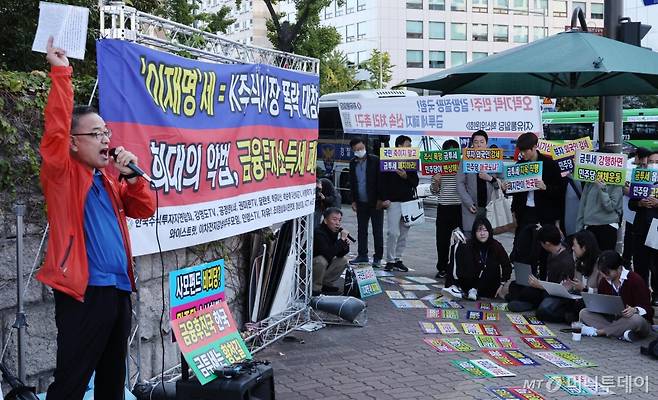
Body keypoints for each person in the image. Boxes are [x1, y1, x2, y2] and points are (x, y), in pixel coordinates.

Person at [38, 38, 156, 400]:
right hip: (84, 293)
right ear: (74, 143)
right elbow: (56, 131)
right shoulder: (64, 175)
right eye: (96, 133)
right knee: (72, 382)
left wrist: (133, 177)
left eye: (107, 132)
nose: (106, 138)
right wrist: (61, 72)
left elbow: (144, 209)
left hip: (118, 292)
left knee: (111, 382)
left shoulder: (108, 179)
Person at [507, 133, 564, 256]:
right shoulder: (519, 166)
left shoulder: (550, 164)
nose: (522, 154)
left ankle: (542, 274)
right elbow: (515, 193)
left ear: (534, 147)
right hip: (525, 212)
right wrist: (506, 189)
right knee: (523, 248)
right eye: (520, 151)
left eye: (525, 151)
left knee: (543, 251)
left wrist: (545, 187)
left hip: (544, 214)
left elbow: (560, 191)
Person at [579, 251, 653, 342]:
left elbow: (648, 309)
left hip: (635, 322)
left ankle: (600, 332)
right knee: (584, 313)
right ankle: (622, 333)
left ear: (618, 268)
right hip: (614, 320)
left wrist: (635, 310)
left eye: (607, 272)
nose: (604, 275)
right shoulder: (604, 281)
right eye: (602, 272)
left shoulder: (635, 280)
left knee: (635, 319)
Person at [507, 224, 574, 312]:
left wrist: (540, 285)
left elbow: (562, 289)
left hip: (554, 295)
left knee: (542, 307)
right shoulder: (552, 252)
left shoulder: (565, 261)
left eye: (541, 243)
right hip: (544, 289)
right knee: (515, 286)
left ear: (547, 243)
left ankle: (530, 304)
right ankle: (528, 303)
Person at [379, 135, 419, 272]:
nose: (410, 148)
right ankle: (390, 260)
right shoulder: (388, 159)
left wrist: (406, 176)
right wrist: (384, 198)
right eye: (408, 145)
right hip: (393, 202)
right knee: (393, 232)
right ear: (399, 146)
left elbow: (415, 182)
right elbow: (382, 182)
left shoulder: (411, 162)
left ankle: (398, 259)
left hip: (408, 202)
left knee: (403, 233)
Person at [575, 150, 624, 252]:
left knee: (605, 262)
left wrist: (602, 189)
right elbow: (582, 206)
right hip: (590, 227)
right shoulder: (590, 182)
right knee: (590, 262)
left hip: (608, 226)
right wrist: (578, 230)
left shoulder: (616, 183)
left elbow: (611, 207)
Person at [455, 217, 512, 301]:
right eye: (479, 231)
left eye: (485, 230)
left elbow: (507, 266)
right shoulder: (469, 244)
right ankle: (470, 289)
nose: (482, 233)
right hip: (469, 286)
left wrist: (502, 284)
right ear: (474, 232)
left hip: (490, 287)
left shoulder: (496, 246)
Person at [456, 130, 500, 237]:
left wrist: (489, 178)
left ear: (487, 143)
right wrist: (468, 202)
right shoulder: (466, 159)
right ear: (472, 144)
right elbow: (459, 183)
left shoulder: (494, 159)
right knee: (470, 239)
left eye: (482, 142)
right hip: (471, 207)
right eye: (476, 142)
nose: (479, 144)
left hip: (489, 206)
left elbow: (502, 183)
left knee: (487, 238)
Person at [348, 137, 384, 267]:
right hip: (360, 202)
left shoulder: (375, 160)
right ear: (353, 150)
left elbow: (381, 181)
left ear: (365, 147)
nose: (359, 151)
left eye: (361, 148)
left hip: (375, 202)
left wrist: (381, 199)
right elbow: (352, 182)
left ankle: (378, 257)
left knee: (377, 230)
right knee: (361, 230)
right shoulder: (352, 163)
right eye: (356, 149)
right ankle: (362, 255)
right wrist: (353, 200)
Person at [628, 150, 658, 306]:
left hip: (656, 229)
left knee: (656, 264)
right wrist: (640, 203)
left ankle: (656, 295)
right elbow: (631, 203)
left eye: (656, 162)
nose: (653, 165)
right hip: (640, 228)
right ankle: (642, 295)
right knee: (640, 264)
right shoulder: (640, 177)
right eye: (651, 162)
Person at [430, 139, 462, 280]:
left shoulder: (462, 165)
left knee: (460, 240)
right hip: (443, 207)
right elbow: (434, 191)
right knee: (442, 240)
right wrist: (437, 181)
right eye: (447, 151)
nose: (450, 154)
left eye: (453, 151)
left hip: (460, 207)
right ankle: (442, 267)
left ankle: (458, 267)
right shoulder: (438, 166)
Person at [312, 207, 350, 296]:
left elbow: (339, 254)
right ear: (325, 220)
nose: (337, 223)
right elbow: (327, 254)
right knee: (321, 260)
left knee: (343, 260)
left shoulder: (333, 231)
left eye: (339, 220)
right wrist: (341, 241)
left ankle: (326, 284)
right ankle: (315, 288)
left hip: (323, 265)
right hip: (306, 270)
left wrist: (344, 244)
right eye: (334, 219)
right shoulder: (318, 232)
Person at [621, 147, 649, 268]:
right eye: (642, 160)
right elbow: (624, 187)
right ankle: (626, 262)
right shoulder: (627, 167)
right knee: (629, 237)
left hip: (645, 213)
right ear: (637, 156)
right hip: (630, 210)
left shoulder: (650, 169)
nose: (644, 163)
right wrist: (637, 194)